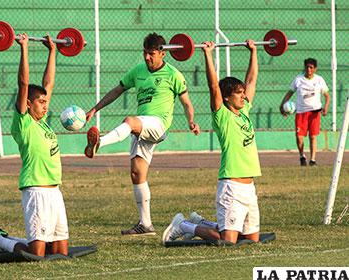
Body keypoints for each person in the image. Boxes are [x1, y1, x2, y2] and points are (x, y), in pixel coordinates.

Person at [84, 32, 200, 236]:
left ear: (163, 53)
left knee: (129, 121)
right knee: (137, 174)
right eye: (145, 53)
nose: (147, 57)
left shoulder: (173, 75)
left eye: (151, 53)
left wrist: (191, 121)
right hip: (142, 127)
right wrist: (95, 108)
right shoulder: (138, 71)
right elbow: (117, 90)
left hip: (158, 124)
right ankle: (145, 224)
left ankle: (99, 143)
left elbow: (187, 103)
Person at [0, 34, 69, 257]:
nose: (45, 106)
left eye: (46, 102)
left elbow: (48, 84)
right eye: (40, 102)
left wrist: (52, 51)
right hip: (36, 191)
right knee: (36, 255)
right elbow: (24, 83)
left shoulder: (43, 123)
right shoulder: (24, 122)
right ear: (28, 104)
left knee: (60, 252)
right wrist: (24, 48)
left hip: (55, 192)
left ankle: (31, 239)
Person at [162, 39, 261, 245]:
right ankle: (184, 225)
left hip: (249, 187)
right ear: (226, 97)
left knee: (251, 239)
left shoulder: (244, 111)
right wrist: (208, 54)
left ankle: (202, 222)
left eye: (243, 93)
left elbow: (251, 80)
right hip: (231, 186)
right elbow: (213, 86)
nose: (244, 96)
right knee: (228, 241)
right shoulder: (222, 116)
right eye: (239, 93)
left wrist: (253, 51)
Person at [279, 58, 330, 166]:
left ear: (315, 69)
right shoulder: (298, 79)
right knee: (299, 136)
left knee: (313, 136)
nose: (309, 69)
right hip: (301, 112)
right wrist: (282, 105)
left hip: (315, 112)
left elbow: (327, 95)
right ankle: (302, 156)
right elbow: (290, 93)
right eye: (307, 67)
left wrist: (326, 107)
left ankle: (313, 160)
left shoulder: (319, 80)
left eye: (311, 67)